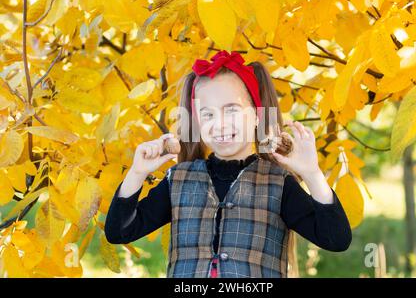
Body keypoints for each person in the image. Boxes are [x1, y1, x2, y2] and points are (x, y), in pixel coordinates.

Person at [104, 50, 352, 278]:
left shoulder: (277, 183)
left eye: (231, 110)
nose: (219, 124)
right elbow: (119, 232)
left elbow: (336, 238)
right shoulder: (178, 180)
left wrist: (312, 173)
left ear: (256, 114)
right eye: (208, 114)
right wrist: (136, 174)